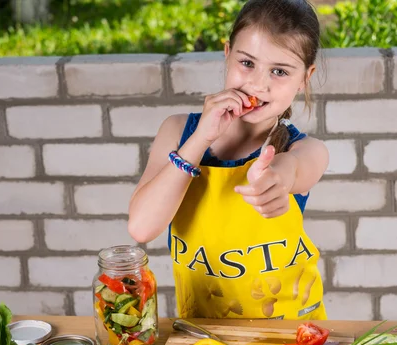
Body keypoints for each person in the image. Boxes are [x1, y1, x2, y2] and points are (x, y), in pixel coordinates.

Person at [128, 0, 329, 320]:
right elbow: (141, 227)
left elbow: (294, 169)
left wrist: (275, 179)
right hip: (203, 335)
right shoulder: (178, 131)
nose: (258, 84)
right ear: (227, 54)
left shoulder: (304, 149)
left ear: (305, 77)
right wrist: (200, 139)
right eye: (247, 63)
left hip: (290, 338)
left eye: (279, 71)